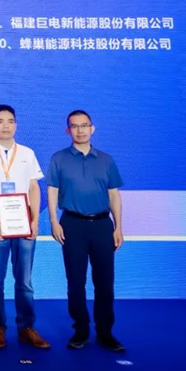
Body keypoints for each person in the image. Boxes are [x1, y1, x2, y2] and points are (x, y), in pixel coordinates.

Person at [0, 105, 50, 349]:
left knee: (24, 279)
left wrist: (35, 219)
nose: (5, 126)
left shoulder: (27, 153)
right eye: (0, 121)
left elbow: (34, 187)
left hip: (24, 219)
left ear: (16, 125)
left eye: (10, 121)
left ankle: (26, 327)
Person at [46, 110, 125, 352]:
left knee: (105, 282)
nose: (80, 130)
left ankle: (105, 332)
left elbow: (114, 194)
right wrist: (54, 221)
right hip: (72, 224)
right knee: (75, 281)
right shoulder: (59, 158)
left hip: (102, 225)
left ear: (92, 128)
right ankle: (80, 330)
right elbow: (52, 191)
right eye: (74, 126)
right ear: (67, 130)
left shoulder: (106, 160)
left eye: (84, 125)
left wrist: (118, 226)